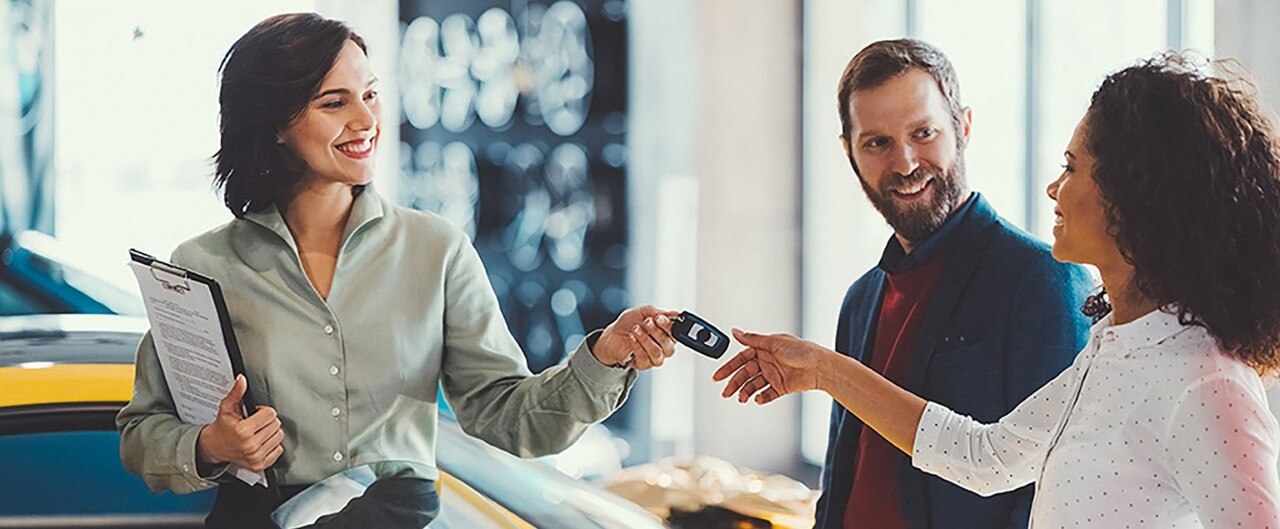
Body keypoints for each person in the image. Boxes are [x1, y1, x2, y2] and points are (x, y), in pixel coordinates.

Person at [116, 13, 679, 529]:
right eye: (334, 103)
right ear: (276, 124)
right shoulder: (203, 265)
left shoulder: (435, 249)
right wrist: (212, 445)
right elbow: (142, 435)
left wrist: (603, 359)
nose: (366, 120)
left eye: (371, 95)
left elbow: (509, 416)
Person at [717, 53, 1280, 528]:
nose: (1054, 187)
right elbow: (985, 458)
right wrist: (822, 370)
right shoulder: (1113, 351)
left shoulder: (1204, 383)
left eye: (1073, 167)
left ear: (1136, 196)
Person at [766, 38, 1097, 528]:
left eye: (923, 133)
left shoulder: (1044, 278)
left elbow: (1055, 491)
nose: (904, 163)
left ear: (963, 126)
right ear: (849, 152)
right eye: (877, 142)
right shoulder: (860, 300)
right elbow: (842, 481)